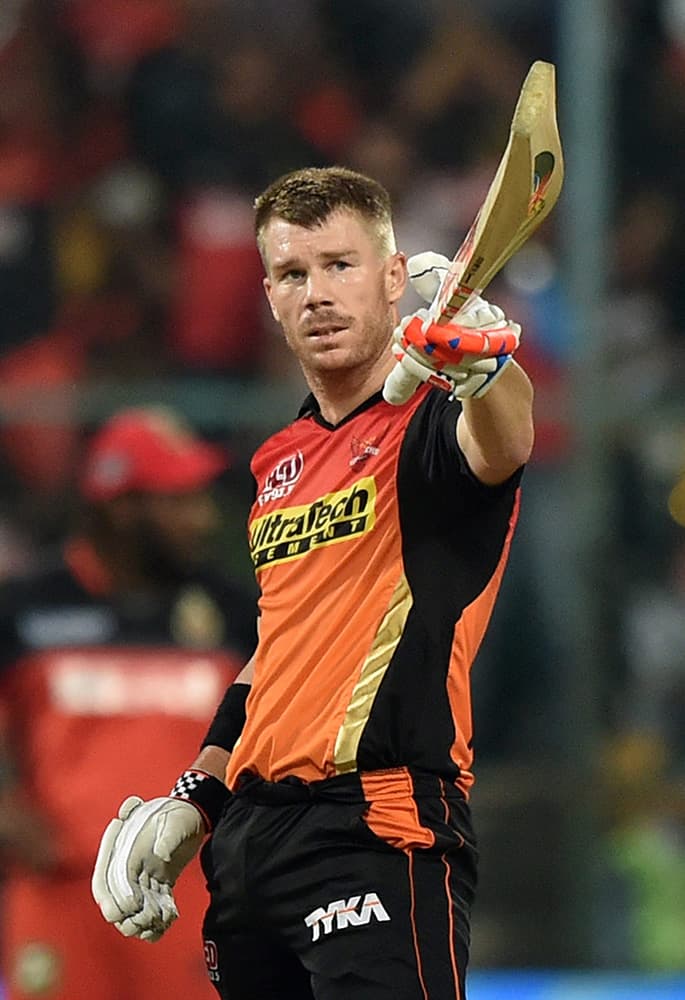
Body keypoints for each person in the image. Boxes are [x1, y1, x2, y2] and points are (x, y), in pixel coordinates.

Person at [92, 167, 534, 999]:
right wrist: (198, 798)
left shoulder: (433, 424)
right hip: (250, 850)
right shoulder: (275, 462)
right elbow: (274, 655)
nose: (317, 294)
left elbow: (505, 444)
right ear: (267, 294)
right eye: (294, 274)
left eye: (341, 266)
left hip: (376, 824)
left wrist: (486, 366)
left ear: (394, 279)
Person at [0, 406, 256, 1000]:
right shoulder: (25, 610)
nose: (202, 517)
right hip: (59, 892)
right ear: (121, 506)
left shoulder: (233, 614)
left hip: (193, 895)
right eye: (180, 499)